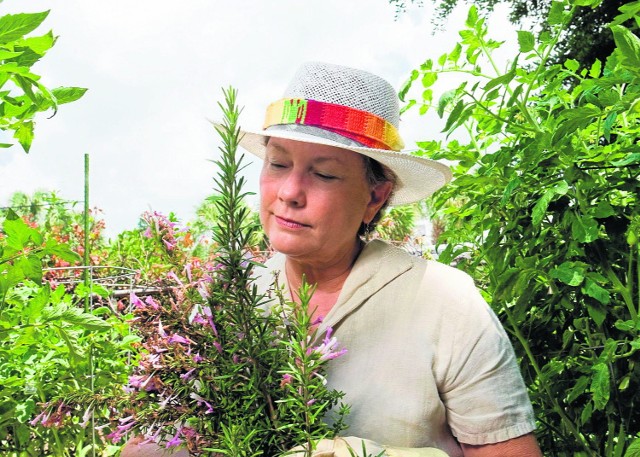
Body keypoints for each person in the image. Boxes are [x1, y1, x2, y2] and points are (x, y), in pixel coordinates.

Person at [123, 61, 542, 457]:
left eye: (323, 174)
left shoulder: (445, 301)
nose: (289, 191)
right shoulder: (229, 297)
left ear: (375, 197)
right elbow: (171, 430)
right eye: (278, 163)